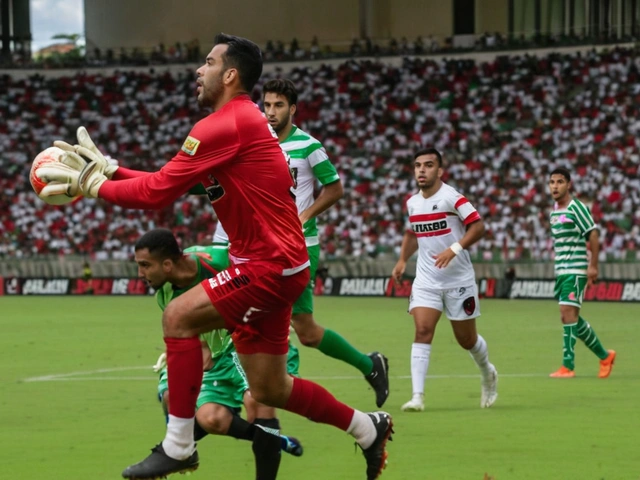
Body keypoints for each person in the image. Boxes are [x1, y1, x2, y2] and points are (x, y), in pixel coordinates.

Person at [40, 33, 392, 480]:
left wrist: (94, 186)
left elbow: (155, 194)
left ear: (230, 74)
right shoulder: (240, 124)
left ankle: (179, 445)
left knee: (178, 317)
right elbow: (169, 181)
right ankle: (368, 428)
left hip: (268, 265)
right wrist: (110, 169)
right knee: (270, 387)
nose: (198, 70)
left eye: (207, 62)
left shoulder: (224, 124)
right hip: (280, 263)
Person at [136, 228, 303, 480]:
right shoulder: (166, 294)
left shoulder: (220, 260)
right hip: (222, 349)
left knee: (257, 402)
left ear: (168, 264)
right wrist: (200, 353)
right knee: (205, 415)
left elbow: (267, 272)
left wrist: (279, 316)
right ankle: (186, 450)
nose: (140, 274)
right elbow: (197, 335)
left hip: (256, 334)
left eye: (145, 265)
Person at [263, 78, 389, 407]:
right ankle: (279, 381)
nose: (272, 112)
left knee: (304, 330)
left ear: (292, 108)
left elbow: (334, 188)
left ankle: (368, 365)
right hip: (264, 245)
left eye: (278, 105)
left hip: (299, 245)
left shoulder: (308, 145)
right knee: (265, 315)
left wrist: (304, 215)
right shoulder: (258, 143)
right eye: (267, 105)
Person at [392, 148, 498, 412]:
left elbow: (478, 226)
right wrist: (403, 260)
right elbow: (411, 233)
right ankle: (417, 396)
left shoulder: (453, 198)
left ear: (439, 171)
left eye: (428, 165)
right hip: (427, 280)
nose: (421, 170)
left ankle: (488, 372)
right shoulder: (413, 203)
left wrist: (455, 249)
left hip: (458, 280)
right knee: (422, 331)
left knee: (466, 340)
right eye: (418, 165)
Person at [547, 167, 616, 378]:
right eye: (552, 182)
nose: (555, 186)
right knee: (569, 317)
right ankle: (605, 356)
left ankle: (568, 366)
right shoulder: (554, 212)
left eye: (560, 182)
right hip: (561, 270)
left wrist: (592, 266)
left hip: (576, 270)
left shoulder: (577, 207)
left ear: (569, 184)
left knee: (567, 314)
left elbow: (592, 234)